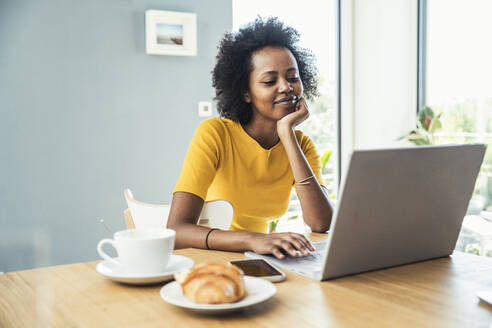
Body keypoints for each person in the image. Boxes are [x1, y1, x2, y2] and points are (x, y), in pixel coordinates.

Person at [167, 17, 333, 259]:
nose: (286, 87)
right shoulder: (215, 134)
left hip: (259, 259)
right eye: (269, 81)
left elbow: (321, 223)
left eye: (293, 77)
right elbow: (176, 230)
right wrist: (253, 240)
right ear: (245, 92)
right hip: (210, 259)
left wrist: (286, 133)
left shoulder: (301, 145)